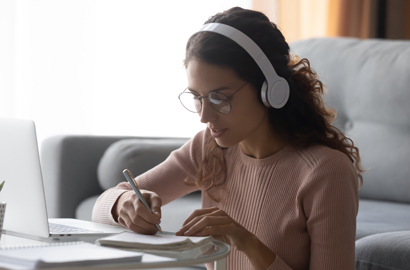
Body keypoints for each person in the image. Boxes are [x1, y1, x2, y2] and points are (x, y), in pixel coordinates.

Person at [92, 7, 364, 270]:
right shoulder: (207, 148)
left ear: (270, 90)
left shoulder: (326, 172)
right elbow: (102, 207)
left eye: (219, 98)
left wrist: (247, 242)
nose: (204, 116)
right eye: (197, 98)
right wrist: (123, 205)